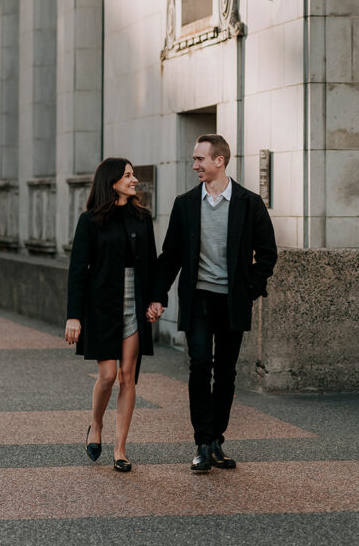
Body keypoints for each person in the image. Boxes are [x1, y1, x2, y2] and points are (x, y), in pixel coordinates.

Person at [147, 134, 277, 473]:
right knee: (200, 364)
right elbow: (171, 255)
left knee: (226, 372)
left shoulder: (249, 203)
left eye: (200, 159)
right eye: (194, 159)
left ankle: (217, 438)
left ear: (219, 161)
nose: (194, 165)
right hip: (199, 299)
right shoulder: (186, 203)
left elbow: (267, 253)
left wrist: (250, 288)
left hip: (233, 301)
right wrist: (159, 296)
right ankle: (202, 443)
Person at [65, 158, 157, 472]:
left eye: (133, 175)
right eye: (128, 175)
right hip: (102, 307)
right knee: (106, 376)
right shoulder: (90, 220)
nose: (134, 180)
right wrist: (74, 316)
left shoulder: (142, 217)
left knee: (128, 376)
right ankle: (95, 424)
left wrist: (156, 300)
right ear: (112, 180)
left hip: (135, 304)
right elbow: (77, 270)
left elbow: (152, 263)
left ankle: (120, 448)